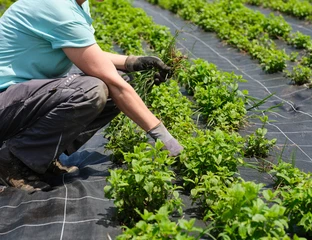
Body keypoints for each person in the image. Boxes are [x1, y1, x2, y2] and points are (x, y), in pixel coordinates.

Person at [0, 0, 183, 192]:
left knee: (118, 80)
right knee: (92, 89)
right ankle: (11, 162)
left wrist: (132, 62)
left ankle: (42, 157)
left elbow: (85, 50)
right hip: (5, 102)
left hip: (20, 101)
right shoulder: (56, 7)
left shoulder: (77, 4)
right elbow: (113, 84)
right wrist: (166, 140)